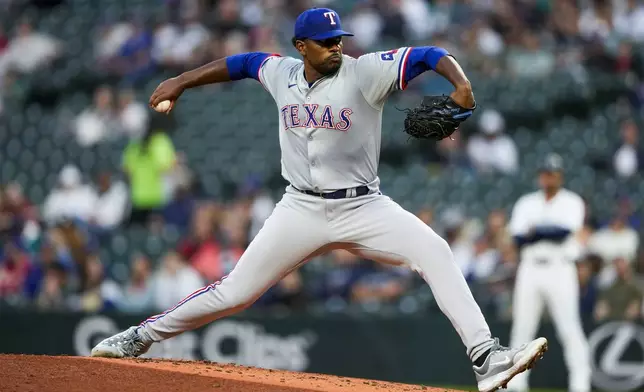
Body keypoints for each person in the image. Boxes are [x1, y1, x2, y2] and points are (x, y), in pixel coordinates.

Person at [90, 8, 547, 392]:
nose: (336, 46)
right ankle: (141, 335)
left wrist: (461, 84)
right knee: (235, 293)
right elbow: (244, 62)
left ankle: (487, 358)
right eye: (325, 41)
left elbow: (428, 54)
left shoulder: (365, 71)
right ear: (301, 46)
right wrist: (183, 80)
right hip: (300, 207)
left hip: (363, 206)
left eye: (338, 39)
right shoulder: (281, 72)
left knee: (435, 250)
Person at [506, 154, 591, 392]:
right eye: (544, 172)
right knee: (522, 329)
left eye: (552, 173)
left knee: (569, 329)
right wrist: (543, 230)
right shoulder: (526, 202)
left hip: (560, 268)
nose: (547, 177)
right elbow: (518, 237)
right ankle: (516, 385)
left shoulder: (572, 201)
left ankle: (580, 385)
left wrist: (536, 230)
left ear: (560, 175)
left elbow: (563, 232)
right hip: (530, 268)